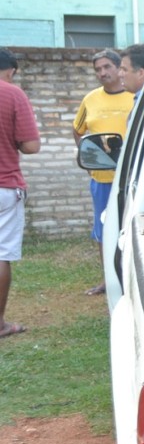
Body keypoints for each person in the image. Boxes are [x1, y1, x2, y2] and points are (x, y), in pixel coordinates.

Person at [73, 49, 134, 296]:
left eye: (107, 66)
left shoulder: (134, 98)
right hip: (102, 179)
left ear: (119, 68)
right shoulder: (90, 99)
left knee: (132, 226)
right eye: (98, 69)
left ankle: (131, 278)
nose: (102, 72)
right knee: (103, 230)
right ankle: (108, 279)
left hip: (132, 178)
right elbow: (78, 130)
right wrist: (90, 156)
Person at [0, 48, 41, 339]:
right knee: (0, 255)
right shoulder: (13, 94)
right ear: (11, 70)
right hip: (4, 185)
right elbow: (30, 146)